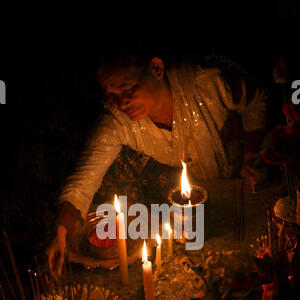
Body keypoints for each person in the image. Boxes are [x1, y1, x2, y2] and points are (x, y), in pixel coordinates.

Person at [47, 46, 269, 280]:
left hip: (250, 191)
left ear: (156, 68)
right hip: (203, 216)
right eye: (111, 95)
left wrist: (251, 155)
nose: (122, 103)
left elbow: (258, 99)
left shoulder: (207, 81)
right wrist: (61, 232)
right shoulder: (117, 122)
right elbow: (83, 180)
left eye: (129, 89)